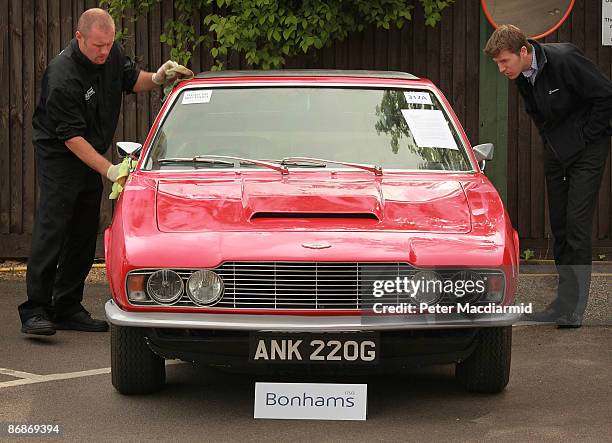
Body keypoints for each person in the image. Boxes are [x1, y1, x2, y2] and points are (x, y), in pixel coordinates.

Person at [19, 8, 185, 335]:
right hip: (61, 154)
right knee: (54, 224)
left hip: (90, 150)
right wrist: (109, 170)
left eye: (109, 44)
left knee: (84, 226)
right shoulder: (62, 75)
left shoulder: (111, 55)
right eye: (98, 45)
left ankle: (66, 305)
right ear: (79, 37)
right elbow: (70, 137)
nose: (104, 52)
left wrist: (158, 78)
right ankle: (35, 310)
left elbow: (130, 78)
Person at [484, 25, 612, 328]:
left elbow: (606, 95)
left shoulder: (565, 59)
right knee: (559, 225)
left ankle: (573, 310)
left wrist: (585, 136)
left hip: (588, 151)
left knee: (576, 225)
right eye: (498, 64)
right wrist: (552, 140)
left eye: (505, 61)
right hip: (557, 152)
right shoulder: (522, 76)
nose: (502, 69)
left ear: (524, 52)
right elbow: (537, 112)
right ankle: (561, 305)